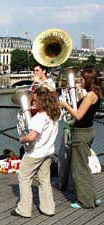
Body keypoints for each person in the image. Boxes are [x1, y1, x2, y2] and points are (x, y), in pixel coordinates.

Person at [11, 86, 60, 218]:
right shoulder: (54, 116)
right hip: (49, 152)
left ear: (41, 101)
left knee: (24, 177)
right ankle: (48, 208)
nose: (33, 103)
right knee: (44, 180)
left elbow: (31, 137)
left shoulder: (40, 117)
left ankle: (24, 210)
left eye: (35, 100)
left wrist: (22, 139)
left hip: (35, 153)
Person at [60, 68, 102, 209]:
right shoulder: (95, 94)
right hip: (88, 131)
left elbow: (78, 115)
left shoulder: (90, 95)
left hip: (81, 133)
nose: (80, 81)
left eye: (82, 79)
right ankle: (94, 197)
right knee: (85, 167)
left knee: (79, 169)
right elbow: (82, 110)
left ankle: (85, 201)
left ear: (89, 80)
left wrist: (65, 105)